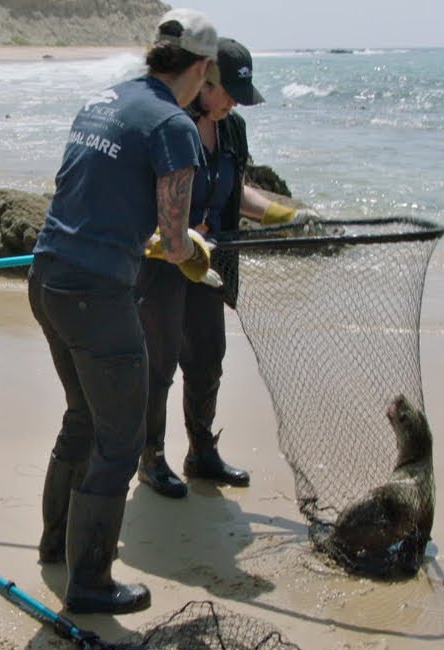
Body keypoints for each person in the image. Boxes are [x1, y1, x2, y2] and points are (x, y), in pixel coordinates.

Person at [29, 9, 219, 615]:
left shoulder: (103, 100)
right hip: (95, 294)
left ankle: (54, 546)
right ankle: (90, 582)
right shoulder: (174, 125)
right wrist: (195, 251)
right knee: (121, 436)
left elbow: (87, 190)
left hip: (47, 274)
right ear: (202, 67)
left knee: (82, 416)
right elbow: (174, 238)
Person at [135, 38, 320, 499]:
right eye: (230, 92)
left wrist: (283, 214)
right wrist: (174, 232)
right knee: (157, 365)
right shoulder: (170, 126)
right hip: (162, 263)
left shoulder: (232, 129)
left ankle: (201, 453)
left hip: (210, 264)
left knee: (208, 358)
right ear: (205, 80)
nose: (235, 102)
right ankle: (150, 458)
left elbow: (238, 191)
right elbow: (144, 195)